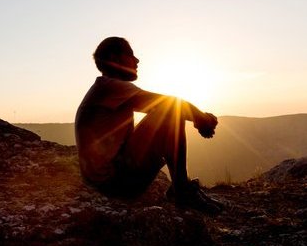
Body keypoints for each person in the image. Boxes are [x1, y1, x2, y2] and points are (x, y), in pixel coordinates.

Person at [75, 36, 224, 213]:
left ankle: (180, 188)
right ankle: (182, 191)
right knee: (168, 113)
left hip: (105, 180)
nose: (137, 60)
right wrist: (203, 120)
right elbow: (170, 104)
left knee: (166, 112)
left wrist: (201, 119)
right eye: (130, 54)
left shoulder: (106, 89)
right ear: (114, 59)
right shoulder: (110, 85)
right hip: (114, 183)